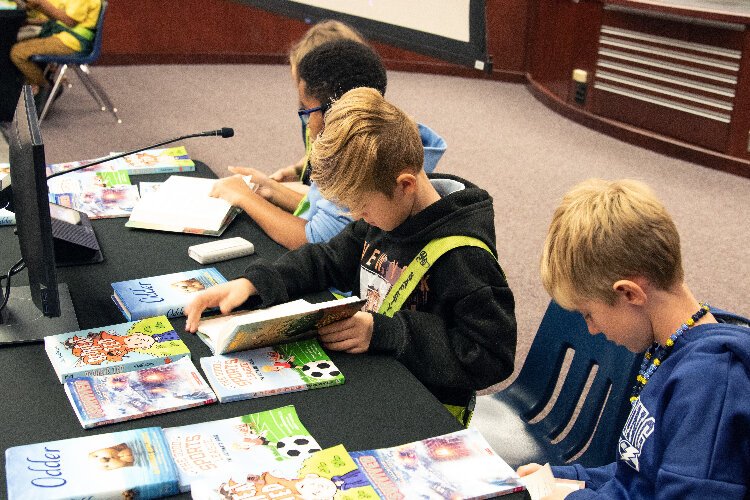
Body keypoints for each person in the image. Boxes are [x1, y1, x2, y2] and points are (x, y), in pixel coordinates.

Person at [187, 87, 517, 426]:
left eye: (362, 205)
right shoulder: (387, 214)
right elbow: (328, 259)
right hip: (379, 377)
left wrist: (387, 333)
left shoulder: (465, 257)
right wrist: (254, 282)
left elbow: (491, 356)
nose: (357, 217)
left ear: (405, 184)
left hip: (426, 410)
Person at [517, 178, 750, 499]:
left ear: (629, 293)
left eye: (589, 314)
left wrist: (572, 498)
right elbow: (641, 469)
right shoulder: (670, 347)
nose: (592, 329)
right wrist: (570, 478)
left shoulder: (710, 384)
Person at [211, 38, 446, 250]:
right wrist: (272, 190)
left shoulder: (358, 162)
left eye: (307, 110)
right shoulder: (372, 138)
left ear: (335, 111)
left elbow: (316, 239)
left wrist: (246, 198)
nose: (307, 123)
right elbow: (323, 211)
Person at [10, 0, 101, 108]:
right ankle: (31, 87)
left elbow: (69, 21)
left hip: (72, 41)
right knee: (17, 39)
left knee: (18, 53)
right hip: (62, 34)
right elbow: (53, 14)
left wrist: (42, 3)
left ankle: (44, 87)